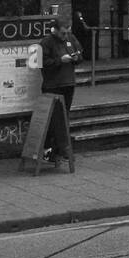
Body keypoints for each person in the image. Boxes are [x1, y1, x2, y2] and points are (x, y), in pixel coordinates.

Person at [39, 15, 83, 167]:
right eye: (63, 33)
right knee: (56, 119)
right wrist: (59, 61)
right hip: (53, 85)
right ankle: (57, 150)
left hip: (68, 83)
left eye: (68, 32)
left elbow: (80, 54)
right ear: (55, 30)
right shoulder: (46, 42)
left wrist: (76, 58)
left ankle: (57, 151)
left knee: (64, 117)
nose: (65, 36)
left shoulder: (70, 39)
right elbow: (43, 63)